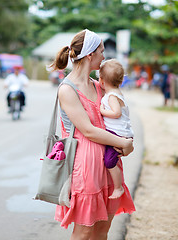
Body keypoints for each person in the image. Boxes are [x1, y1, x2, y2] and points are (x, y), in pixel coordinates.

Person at [49, 29, 135, 239]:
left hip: (108, 162)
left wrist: (127, 140)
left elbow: (119, 117)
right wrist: (124, 143)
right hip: (85, 166)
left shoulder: (99, 86)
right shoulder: (67, 89)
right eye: (101, 52)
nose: (104, 57)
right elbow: (88, 130)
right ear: (90, 55)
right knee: (84, 231)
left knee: (103, 229)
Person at [98, 59, 135, 200]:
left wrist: (101, 111)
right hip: (122, 132)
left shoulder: (111, 96)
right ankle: (118, 186)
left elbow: (116, 113)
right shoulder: (117, 92)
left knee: (109, 161)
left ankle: (118, 187)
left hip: (118, 133)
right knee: (111, 159)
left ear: (101, 81)